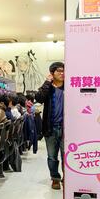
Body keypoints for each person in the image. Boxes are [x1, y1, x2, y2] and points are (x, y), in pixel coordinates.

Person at [35, 62, 65, 190]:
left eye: (64, 71)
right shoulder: (48, 88)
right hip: (51, 127)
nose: (62, 73)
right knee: (52, 156)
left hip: (66, 129)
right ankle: (55, 178)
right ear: (52, 73)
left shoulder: (70, 87)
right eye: (59, 71)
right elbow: (39, 98)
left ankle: (68, 178)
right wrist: (47, 82)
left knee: (66, 156)